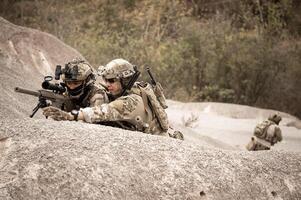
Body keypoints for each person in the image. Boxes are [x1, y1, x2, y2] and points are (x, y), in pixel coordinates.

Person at [43, 58, 183, 140]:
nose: (107, 84)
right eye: (105, 80)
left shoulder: (131, 101)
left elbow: (105, 111)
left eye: (111, 81)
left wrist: (69, 116)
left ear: (124, 80)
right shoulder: (126, 91)